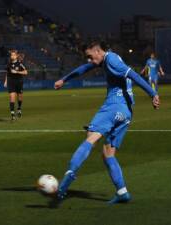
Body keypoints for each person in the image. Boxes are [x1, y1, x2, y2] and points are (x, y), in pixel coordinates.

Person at [54, 42, 160, 204]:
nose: (89, 59)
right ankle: (122, 192)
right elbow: (84, 68)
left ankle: (69, 175)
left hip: (114, 106)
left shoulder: (111, 60)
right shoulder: (107, 59)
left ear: (98, 51)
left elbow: (134, 75)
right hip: (126, 112)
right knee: (108, 153)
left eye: (90, 56)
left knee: (91, 137)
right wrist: (64, 79)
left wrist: (153, 93)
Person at [4, 50, 28, 121]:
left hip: (19, 82)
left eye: (14, 55)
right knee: (12, 97)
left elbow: (26, 72)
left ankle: (19, 108)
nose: (12, 56)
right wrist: (5, 81)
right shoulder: (8, 64)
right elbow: (7, 73)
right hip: (11, 82)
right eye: (11, 55)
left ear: (17, 56)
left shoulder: (20, 64)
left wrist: (17, 72)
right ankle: (12, 115)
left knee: (20, 96)